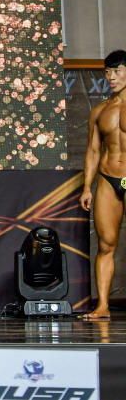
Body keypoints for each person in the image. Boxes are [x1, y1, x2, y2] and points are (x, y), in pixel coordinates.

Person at [80, 49, 126, 320]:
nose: (111, 77)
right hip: (108, 180)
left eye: (117, 71)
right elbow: (93, 151)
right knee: (106, 244)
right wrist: (87, 187)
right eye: (107, 72)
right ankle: (103, 306)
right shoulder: (99, 111)